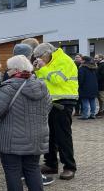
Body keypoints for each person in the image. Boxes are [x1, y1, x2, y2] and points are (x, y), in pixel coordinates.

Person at [0, 55, 52, 191]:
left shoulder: (8, 88)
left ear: (15, 70)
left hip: (11, 138)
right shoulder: (42, 86)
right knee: (33, 169)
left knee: (13, 171)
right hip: (36, 136)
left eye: (8, 69)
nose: (6, 72)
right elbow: (48, 108)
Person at [33, 43, 78, 180]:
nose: (39, 60)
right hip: (49, 102)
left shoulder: (64, 60)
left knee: (63, 136)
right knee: (49, 135)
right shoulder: (49, 62)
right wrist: (38, 69)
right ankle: (51, 163)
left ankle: (69, 167)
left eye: (40, 57)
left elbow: (58, 80)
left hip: (64, 102)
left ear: (47, 53)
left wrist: (43, 68)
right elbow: (43, 80)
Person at [78, 55, 99, 119]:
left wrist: (79, 85)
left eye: (81, 60)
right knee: (92, 100)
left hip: (85, 87)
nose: (80, 61)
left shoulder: (82, 68)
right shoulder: (94, 68)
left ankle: (85, 115)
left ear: (84, 61)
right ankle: (93, 114)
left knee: (85, 100)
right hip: (94, 86)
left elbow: (81, 79)